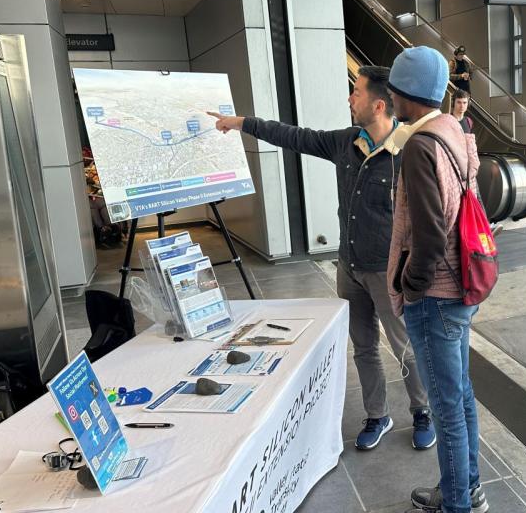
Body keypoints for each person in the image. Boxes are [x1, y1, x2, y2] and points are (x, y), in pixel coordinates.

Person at [207, 66, 435, 452]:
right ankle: (378, 415)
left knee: (405, 347)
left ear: (379, 105)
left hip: (388, 271)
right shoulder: (346, 143)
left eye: (357, 93)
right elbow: (296, 137)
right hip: (348, 267)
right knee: (363, 346)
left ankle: (423, 411)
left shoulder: (408, 152)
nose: (350, 99)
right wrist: (244, 123)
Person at [385, 46, 489, 513]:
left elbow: (427, 233)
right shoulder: (454, 131)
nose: (389, 95)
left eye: (393, 88)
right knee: (461, 396)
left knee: (446, 408)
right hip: (462, 285)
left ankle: (456, 505)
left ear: (405, 93)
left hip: (436, 295)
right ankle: (465, 489)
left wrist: (410, 287)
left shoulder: (419, 146)